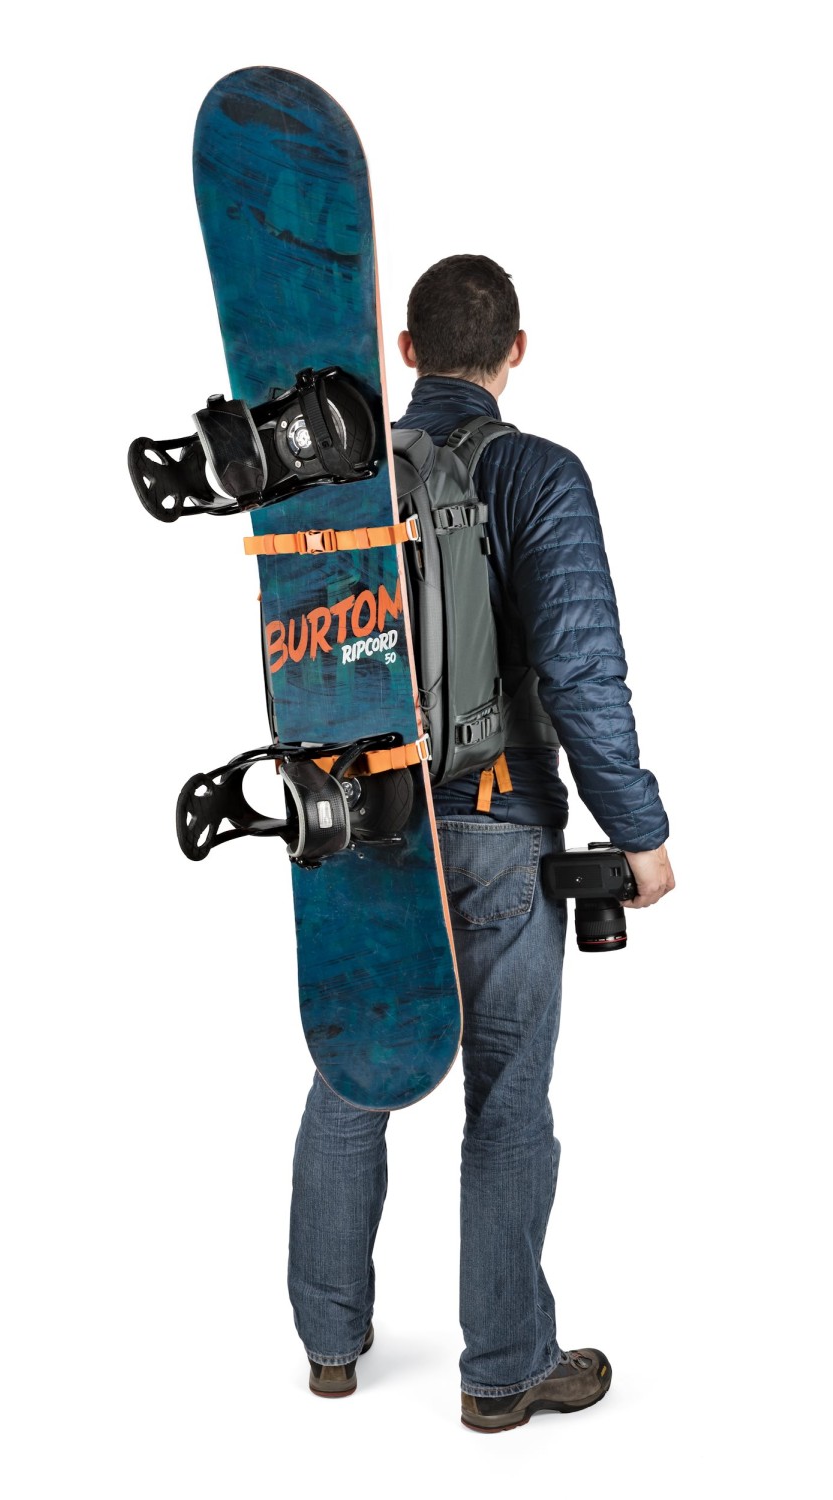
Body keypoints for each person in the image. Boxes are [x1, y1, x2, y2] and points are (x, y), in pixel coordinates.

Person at [287, 254, 674, 1432]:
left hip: (357, 823)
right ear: (516, 351)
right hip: (499, 823)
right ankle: (503, 1371)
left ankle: (330, 1347)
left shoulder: (340, 477)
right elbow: (582, 667)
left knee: (351, 1076)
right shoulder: (537, 472)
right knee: (506, 1101)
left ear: (406, 354)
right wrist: (639, 831)